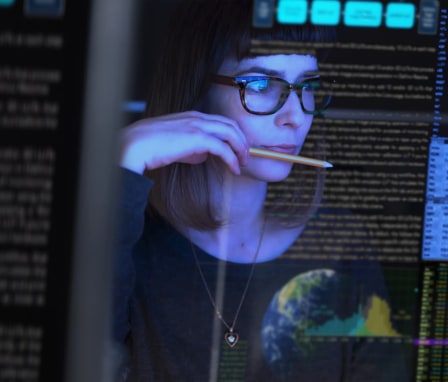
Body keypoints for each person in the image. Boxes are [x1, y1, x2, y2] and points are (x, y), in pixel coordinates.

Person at [113, 0, 409, 381]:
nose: (296, 117)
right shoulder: (130, 241)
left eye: (308, 86)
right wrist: (124, 161)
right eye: (260, 84)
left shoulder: (342, 244)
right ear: (196, 89)